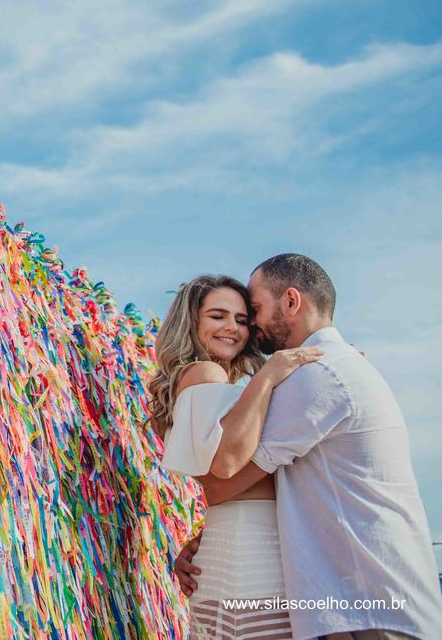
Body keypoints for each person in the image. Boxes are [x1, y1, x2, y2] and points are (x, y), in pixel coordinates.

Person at [176, 254, 442, 640]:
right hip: (369, 599)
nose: (248, 325)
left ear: (291, 301)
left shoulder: (314, 375)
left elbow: (223, 482)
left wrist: (213, 536)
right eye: (220, 316)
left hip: (366, 606)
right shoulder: (336, 365)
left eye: (253, 311)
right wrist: (211, 538)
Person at [148, 274, 323, 638]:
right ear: (190, 322)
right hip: (253, 553)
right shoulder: (206, 372)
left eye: (242, 320)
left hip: (231, 543)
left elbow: (220, 481)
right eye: (218, 316)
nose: (232, 328)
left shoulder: (207, 380)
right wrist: (267, 377)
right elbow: (227, 464)